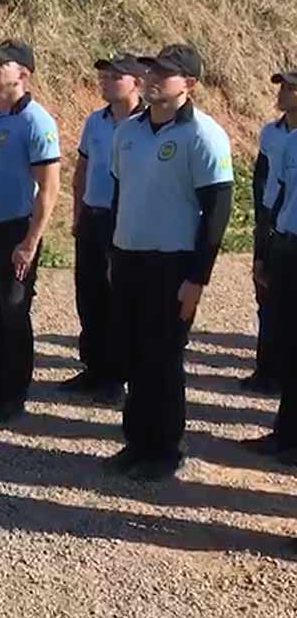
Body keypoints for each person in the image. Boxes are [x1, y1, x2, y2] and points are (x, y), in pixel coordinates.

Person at [105, 44, 233, 481]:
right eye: (152, 68)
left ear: (189, 84)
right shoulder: (128, 132)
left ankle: (165, 449)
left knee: (163, 357)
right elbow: (121, 195)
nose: (153, 76)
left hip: (172, 264)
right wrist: (113, 251)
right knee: (133, 353)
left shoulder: (203, 134)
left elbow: (216, 209)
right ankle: (136, 441)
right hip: (129, 259)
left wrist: (198, 278)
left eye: (166, 71)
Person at [0, 39, 61, 423]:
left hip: (15, 231)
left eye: (2, 64)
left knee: (13, 314)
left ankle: (12, 393)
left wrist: (29, 242)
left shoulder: (37, 121)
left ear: (23, 73)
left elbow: (49, 188)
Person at [60, 53, 147, 405]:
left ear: (136, 82)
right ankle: (93, 368)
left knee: (118, 300)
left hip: (124, 219)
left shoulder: (146, 124)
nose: (106, 81)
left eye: (115, 76)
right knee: (89, 295)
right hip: (94, 217)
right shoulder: (95, 121)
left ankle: (116, 377)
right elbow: (81, 170)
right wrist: (78, 214)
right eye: (104, 76)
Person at [238, 71, 297, 396]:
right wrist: (262, 218)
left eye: (291, 88)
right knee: (265, 295)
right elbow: (260, 176)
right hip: (270, 217)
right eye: (283, 87)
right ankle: (266, 368)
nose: (283, 94)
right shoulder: (271, 133)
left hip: (290, 223)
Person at [250, 92, 297, 466]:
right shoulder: (290, 141)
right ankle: (286, 432)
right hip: (287, 244)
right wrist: (264, 251)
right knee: (286, 341)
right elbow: (274, 195)